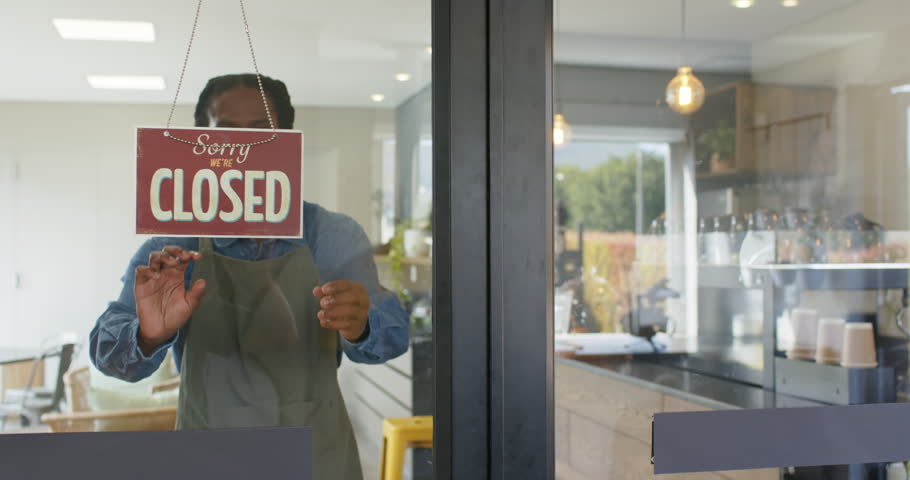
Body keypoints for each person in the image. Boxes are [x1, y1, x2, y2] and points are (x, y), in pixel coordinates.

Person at [90, 73, 409, 480]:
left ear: (288, 141)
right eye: (225, 132)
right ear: (201, 142)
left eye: (261, 133)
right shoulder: (174, 241)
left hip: (314, 457)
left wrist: (364, 325)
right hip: (207, 457)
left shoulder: (329, 234)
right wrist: (147, 335)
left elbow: (393, 337)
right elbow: (107, 354)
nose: (241, 147)